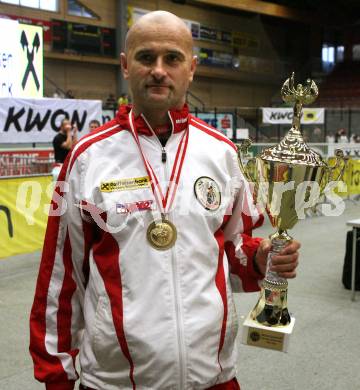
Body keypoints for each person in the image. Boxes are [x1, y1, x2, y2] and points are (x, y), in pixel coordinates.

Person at [30, 11, 300, 390]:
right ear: (126, 66)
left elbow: (235, 250)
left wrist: (260, 258)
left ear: (191, 68)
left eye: (172, 58)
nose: (159, 70)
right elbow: (61, 277)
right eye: (146, 57)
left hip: (213, 378)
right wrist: (56, 377)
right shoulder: (88, 157)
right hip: (116, 381)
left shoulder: (223, 153)